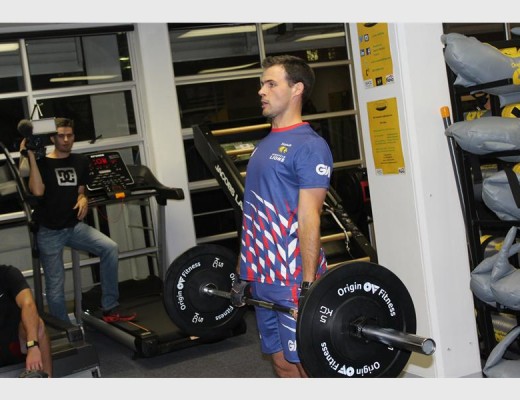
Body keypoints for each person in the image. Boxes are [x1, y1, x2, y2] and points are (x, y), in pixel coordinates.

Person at [231, 55, 333, 378]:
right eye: (262, 84)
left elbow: (310, 216)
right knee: (282, 364)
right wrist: (242, 272)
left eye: (271, 84)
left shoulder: (310, 146)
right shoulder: (263, 145)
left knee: (308, 365)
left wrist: (308, 284)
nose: (261, 91)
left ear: (296, 89)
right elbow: (252, 215)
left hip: (292, 278)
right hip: (262, 275)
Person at [19, 118, 136, 324]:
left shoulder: (80, 161)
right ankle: (65, 328)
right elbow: (37, 191)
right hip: (49, 231)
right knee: (56, 284)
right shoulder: (42, 163)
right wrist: (30, 155)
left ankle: (110, 306)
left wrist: (83, 199)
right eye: (61, 136)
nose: (66, 140)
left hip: (73, 227)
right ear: (53, 138)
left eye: (69, 135)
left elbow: (81, 190)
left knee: (109, 248)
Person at [0, 264, 52, 377]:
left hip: (15, 342)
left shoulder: (8, 274)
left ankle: (47, 379)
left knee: (38, 325)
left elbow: (28, 304)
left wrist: (32, 346)